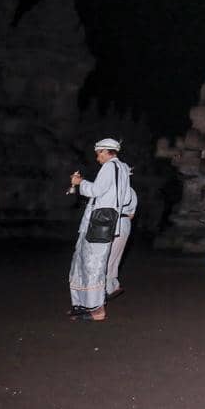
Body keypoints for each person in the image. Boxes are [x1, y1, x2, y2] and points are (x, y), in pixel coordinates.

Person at [68, 138, 132, 322]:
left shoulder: (110, 167)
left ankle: (96, 310)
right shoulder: (123, 169)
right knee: (83, 261)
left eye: (98, 153)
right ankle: (82, 304)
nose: (97, 158)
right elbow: (126, 198)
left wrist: (80, 182)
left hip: (98, 223)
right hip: (108, 223)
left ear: (106, 151)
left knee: (92, 264)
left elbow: (95, 190)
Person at [105, 184, 138, 301]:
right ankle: (113, 283)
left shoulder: (112, 188)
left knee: (107, 256)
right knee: (116, 255)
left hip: (113, 222)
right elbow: (132, 214)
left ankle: (108, 286)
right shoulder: (131, 190)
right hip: (125, 222)